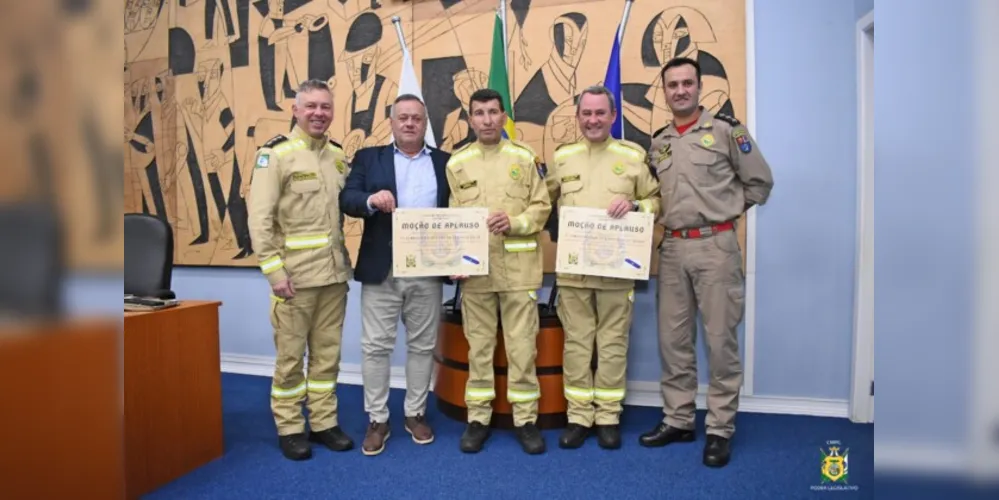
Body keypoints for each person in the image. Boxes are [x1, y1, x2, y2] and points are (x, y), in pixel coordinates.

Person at [640, 57, 774, 468]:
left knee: (720, 342)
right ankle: (679, 418)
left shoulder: (726, 131)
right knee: (673, 341)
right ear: (664, 91)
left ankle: (719, 429)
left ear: (699, 87)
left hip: (715, 247)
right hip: (674, 248)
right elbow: (653, 196)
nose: (680, 90)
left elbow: (760, 182)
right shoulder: (659, 142)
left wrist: (727, 212)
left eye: (687, 83)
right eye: (672, 85)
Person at [544, 85, 661, 450]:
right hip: (575, 272)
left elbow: (656, 199)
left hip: (616, 272)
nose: (592, 120)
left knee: (612, 344)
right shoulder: (563, 158)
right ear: (577, 117)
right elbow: (540, 201)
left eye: (600, 113)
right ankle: (579, 416)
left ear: (613, 116)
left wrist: (638, 207)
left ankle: (608, 416)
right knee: (577, 344)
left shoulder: (632, 155)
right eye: (586, 113)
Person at [247, 79, 355, 461]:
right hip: (294, 279)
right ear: (295, 110)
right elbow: (259, 219)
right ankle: (290, 426)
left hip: (334, 276)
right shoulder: (275, 155)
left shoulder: (339, 156)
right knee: (290, 358)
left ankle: (324, 422)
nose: (318, 113)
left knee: (327, 356)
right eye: (310, 106)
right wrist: (274, 273)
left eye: (325, 107)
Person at [339, 94, 452, 456]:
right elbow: (348, 198)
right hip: (382, 269)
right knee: (375, 347)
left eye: (416, 118)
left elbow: (458, 213)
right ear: (391, 122)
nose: (409, 123)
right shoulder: (368, 158)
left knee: (422, 346)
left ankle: (415, 413)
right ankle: (377, 419)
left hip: (427, 270)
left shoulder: (445, 163)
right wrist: (372, 201)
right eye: (402, 117)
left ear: (424, 123)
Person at [446, 88, 552, 455]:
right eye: (479, 113)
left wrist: (517, 222)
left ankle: (526, 421)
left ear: (504, 115)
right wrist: (454, 261)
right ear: (470, 118)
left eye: (493, 112)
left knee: (523, 350)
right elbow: (454, 221)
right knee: (480, 349)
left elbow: (542, 207)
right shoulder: (457, 163)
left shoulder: (524, 158)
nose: (487, 120)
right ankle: (478, 419)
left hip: (519, 272)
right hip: (477, 276)